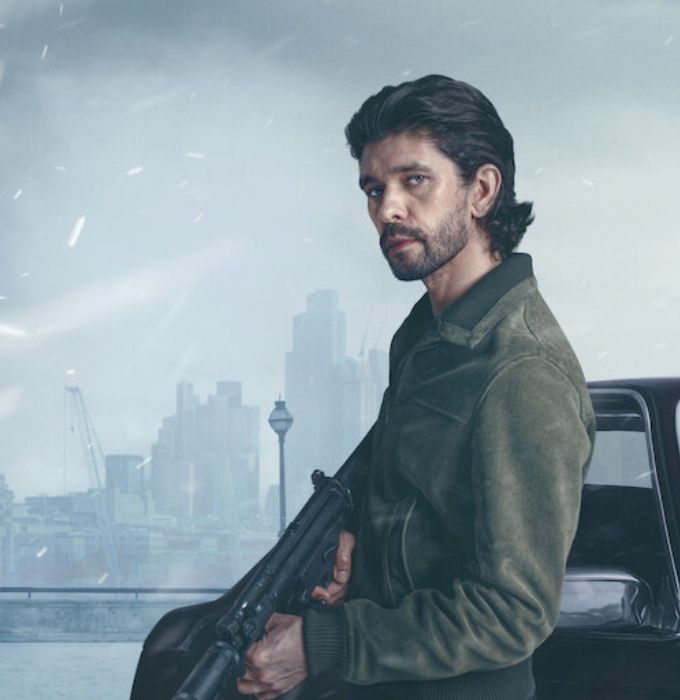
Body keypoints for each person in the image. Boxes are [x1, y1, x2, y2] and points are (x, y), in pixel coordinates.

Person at [237, 74, 596, 700]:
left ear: (482, 190)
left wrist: (322, 644)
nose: (387, 209)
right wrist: (354, 531)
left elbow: (513, 614)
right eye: (374, 188)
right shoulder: (427, 337)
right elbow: (415, 493)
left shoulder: (521, 372)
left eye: (414, 180)